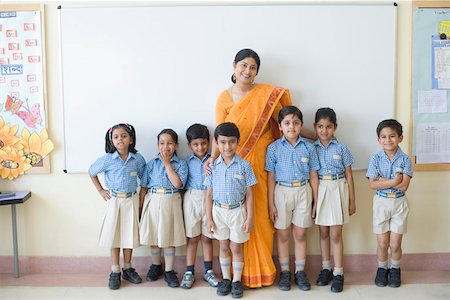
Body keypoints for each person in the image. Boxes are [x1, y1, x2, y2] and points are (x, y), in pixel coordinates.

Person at [204, 48, 316, 288]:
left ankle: (263, 271)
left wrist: (314, 135)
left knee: (261, 218)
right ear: (234, 66)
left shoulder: (265, 95)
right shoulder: (223, 98)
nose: (247, 70)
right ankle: (236, 277)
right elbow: (219, 133)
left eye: (253, 67)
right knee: (235, 219)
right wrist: (212, 158)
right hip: (233, 165)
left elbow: (285, 121)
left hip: (262, 164)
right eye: (243, 65)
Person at [265, 106, 319, 292]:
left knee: (301, 233)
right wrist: (271, 203)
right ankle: (286, 272)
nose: (291, 127)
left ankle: (300, 271)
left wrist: (316, 201)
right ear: (280, 126)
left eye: (296, 123)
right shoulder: (273, 148)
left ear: (301, 125)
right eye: (287, 123)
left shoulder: (309, 148)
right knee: (283, 234)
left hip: (303, 191)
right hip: (282, 192)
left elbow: (313, 176)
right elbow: (270, 177)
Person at [89, 123, 146, 290]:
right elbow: (91, 172)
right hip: (114, 201)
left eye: (124, 136)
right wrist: (100, 190)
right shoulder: (107, 159)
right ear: (111, 140)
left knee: (128, 235)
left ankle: (127, 268)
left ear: (131, 139)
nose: (120, 139)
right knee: (114, 236)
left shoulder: (138, 159)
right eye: (116, 137)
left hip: (131, 201)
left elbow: (144, 179)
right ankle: (115, 271)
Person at [205, 122, 257, 298]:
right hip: (219, 211)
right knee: (223, 245)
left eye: (232, 142)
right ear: (217, 143)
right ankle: (226, 279)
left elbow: (250, 194)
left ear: (238, 142)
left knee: (236, 246)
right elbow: (209, 194)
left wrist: (250, 218)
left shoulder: (244, 166)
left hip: (238, 212)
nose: (227, 146)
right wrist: (209, 218)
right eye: (223, 142)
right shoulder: (212, 166)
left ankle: (236, 281)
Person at [313, 108, 356, 293]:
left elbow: (349, 174)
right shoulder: (311, 148)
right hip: (321, 189)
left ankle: (339, 272)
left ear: (335, 127)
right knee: (323, 232)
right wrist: (314, 201)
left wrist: (352, 200)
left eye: (328, 126)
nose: (324, 130)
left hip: (338, 189)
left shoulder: (341, 147)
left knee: (336, 234)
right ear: (315, 127)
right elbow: (312, 176)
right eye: (320, 126)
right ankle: (326, 268)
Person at [366, 119, 413, 288]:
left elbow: (404, 186)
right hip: (381, 203)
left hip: (399, 203)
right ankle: (381, 268)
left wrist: (384, 181)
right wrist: (395, 180)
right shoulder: (375, 158)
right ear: (378, 140)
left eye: (392, 136)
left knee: (395, 243)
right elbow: (372, 184)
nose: (388, 140)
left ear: (400, 138)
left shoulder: (406, 159)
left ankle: (395, 268)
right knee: (382, 243)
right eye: (383, 137)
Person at [139, 129, 188, 288]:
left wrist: (167, 164)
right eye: (162, 143)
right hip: (153, 200)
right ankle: (156, 265)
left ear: (176, 145)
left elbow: (177, 184)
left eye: (169, 143)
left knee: (169, 237)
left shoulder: (181, 164)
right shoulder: (151, 163)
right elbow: (144, 187)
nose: (165, 146)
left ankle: (169, 270)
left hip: (171, 200)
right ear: (157, 145)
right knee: (154, 235)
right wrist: (140, 209)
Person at [180, 124, 218, 289]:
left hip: (210, 199)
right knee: (193, 237)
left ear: (209, 142)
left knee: (207, 237)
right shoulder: (186, 163)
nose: (200, 147)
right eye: (195, 144)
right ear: (189, 145)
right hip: (192, 198)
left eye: (203, 143)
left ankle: (209, 271)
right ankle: (189, 272)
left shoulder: (214, 160)